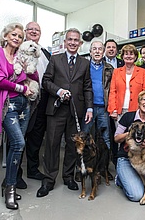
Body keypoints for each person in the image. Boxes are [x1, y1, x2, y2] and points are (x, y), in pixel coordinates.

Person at [0, 22, 39, 209]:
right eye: (14, 35)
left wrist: (29, 71)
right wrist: (22, 87)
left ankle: (7, 182)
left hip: (25, 105)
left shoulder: (21, 55)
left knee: (16, 144)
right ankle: (11, 188)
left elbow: (36, 77)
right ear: (6, 35)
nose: (17, 38)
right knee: (19, 143)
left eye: (20, 37)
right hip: (9, 104)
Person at [37, 28, 93, 198]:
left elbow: (87, 87)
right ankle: (48, 180)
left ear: (80, 43)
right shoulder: (55, 60)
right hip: (56, 109)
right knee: (52, 144)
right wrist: (59, 91)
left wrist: (89, 107)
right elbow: (45, 81)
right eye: (70, 39)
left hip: (76, 110)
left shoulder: (85, 63)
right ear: (65, 42)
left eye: (76, 40)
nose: (73, 42)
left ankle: (68, 177)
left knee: (71, 145)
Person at [15, 22, 51, 189]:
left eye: (37, 30)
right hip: (23, 95)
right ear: (25, 32)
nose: (34, 32)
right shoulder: (19, 48)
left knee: (36, 136)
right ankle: (15, 174)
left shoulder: (44, 52)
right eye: (31, 29)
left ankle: (33, 169)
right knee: (20, 135)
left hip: (42, 97)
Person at [81, 40, 114, 180]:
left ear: (103, 51)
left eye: (100, 49)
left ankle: (103, 169)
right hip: (87, 108)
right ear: (90, 52)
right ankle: (82, 168)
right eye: (94, 49)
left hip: (103, 108)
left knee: (105, 138)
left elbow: (113, 89)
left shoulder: (109, 68)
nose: (97, 51)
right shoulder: (84, 67)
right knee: (84, 137)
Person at [108, 44, 145, 121]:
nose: (128, 56)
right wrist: (113, 109)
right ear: (122, 56)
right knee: (120, 132)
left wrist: (143, 109)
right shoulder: (116, 72)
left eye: (131, 54)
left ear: (135, 57)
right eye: (126, 54)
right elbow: (112, 92)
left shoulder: (143, 72)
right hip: (119, 110)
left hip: (137, 110)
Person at [103, 39, 124, 167]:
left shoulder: (122, 63)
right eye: (109, 47)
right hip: (105, 102)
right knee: (107, 133)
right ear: (105, 49)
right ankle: (105, 162)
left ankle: (118, 160)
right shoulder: (100, 63)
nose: (111, 49)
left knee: (119, 132)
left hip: (120, 102)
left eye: (113, 47)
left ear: (117, 50)